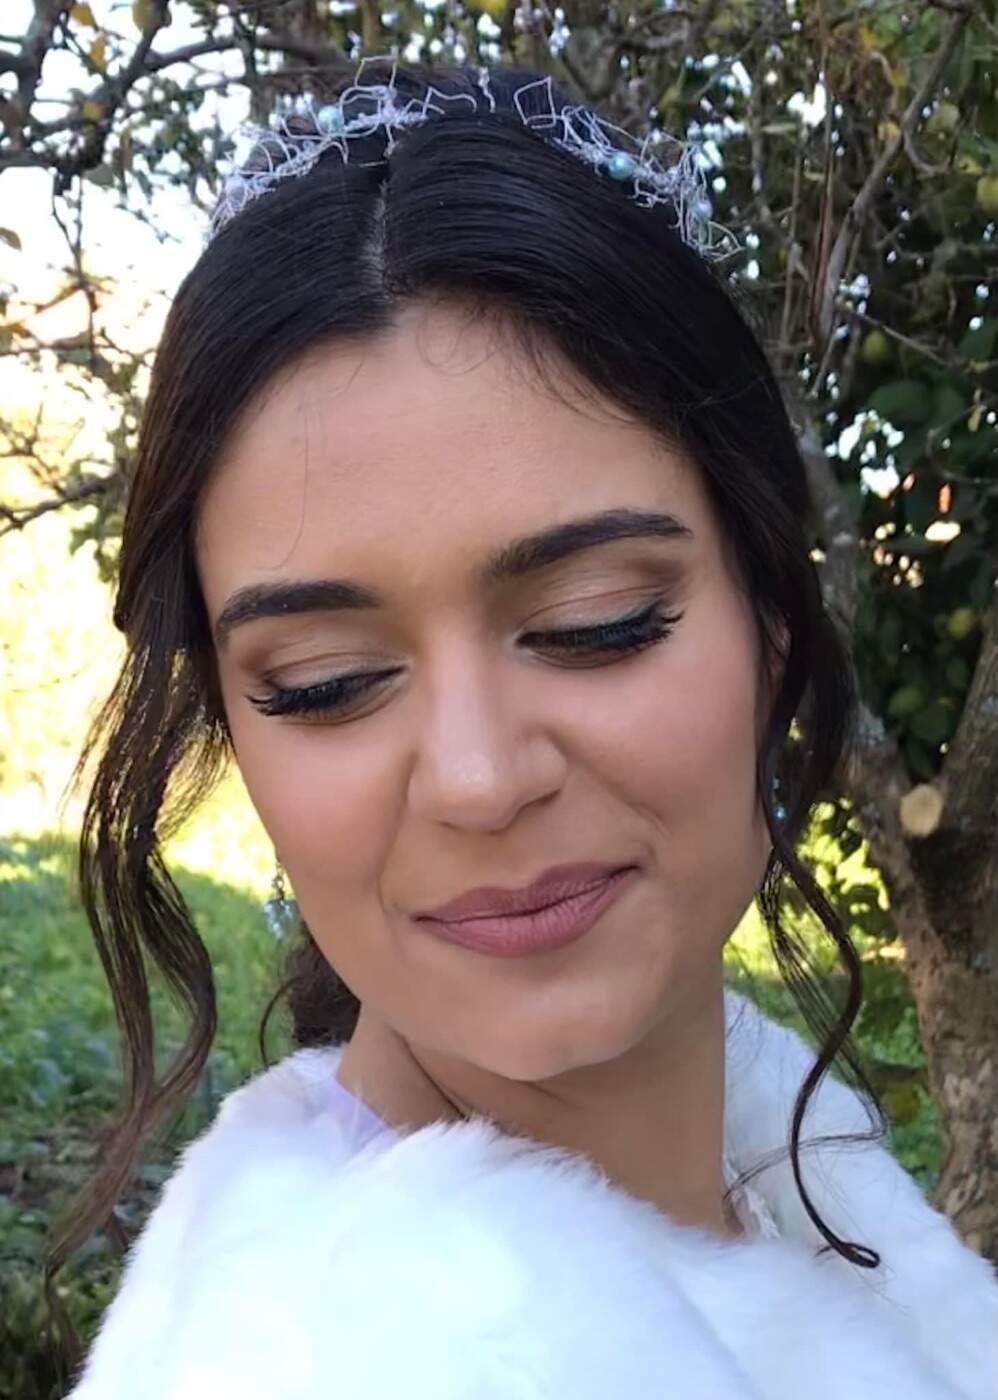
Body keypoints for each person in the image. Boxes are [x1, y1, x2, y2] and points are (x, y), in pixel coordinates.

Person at [52, 59, 997, 1398]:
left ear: (772, 627)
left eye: (598, 622)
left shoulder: (816, 1199)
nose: (480, 778)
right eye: (324, 682)